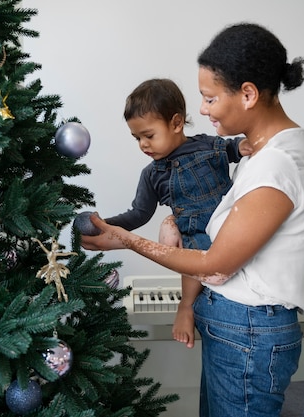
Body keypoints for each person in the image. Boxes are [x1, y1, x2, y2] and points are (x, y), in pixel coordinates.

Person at [82, 22, 304, 417]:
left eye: (210, 98)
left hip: (247, 332)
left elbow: (214, 262)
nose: (201, 109)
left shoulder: (277, 165)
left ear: (247, 94)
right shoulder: (266, 154)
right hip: (235, 326)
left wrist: (128, 240)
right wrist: (114, 232)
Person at [102, 78, 251, 349]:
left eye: (149, 135)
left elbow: (232, 148)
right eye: (137, 138)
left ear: (176, 123)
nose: (143, 145)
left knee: (224, 257)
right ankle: (186, 306)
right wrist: (106, 225)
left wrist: (244, 147)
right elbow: (138, 214)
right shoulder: (152, 175)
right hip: (194, 236)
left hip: (229, 225)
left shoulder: (207, 146)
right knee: (187, 244)